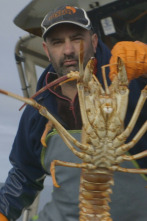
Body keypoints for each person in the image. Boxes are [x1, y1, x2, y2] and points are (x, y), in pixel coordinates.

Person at [0, 4, 147, 221]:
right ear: (46, 50)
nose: (68, 51)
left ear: (94, 42)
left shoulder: (132, 84)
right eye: (57, 42)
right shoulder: (38, 110)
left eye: (76, 38)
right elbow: (23, 174)